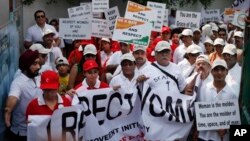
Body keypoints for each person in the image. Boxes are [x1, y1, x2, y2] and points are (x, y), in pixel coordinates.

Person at [4, 50, 42, 141]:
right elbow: (11, 100)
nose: (38, 67)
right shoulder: (18, 83)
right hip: (22, 133)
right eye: (35, 64)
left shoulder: (38, 77)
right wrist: (8, 122)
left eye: (38, 63)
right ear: (26, 66)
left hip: (39, 130)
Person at [197, 59, 237, 141]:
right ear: (211, 72)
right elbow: (200, 112)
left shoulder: (232, 93)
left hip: (222, 138)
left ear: (227, 72)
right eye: (216, 69)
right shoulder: (204, 89)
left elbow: (233, 118)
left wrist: (226, 128)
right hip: (205, 136)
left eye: (222, 69)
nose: (219, 72)